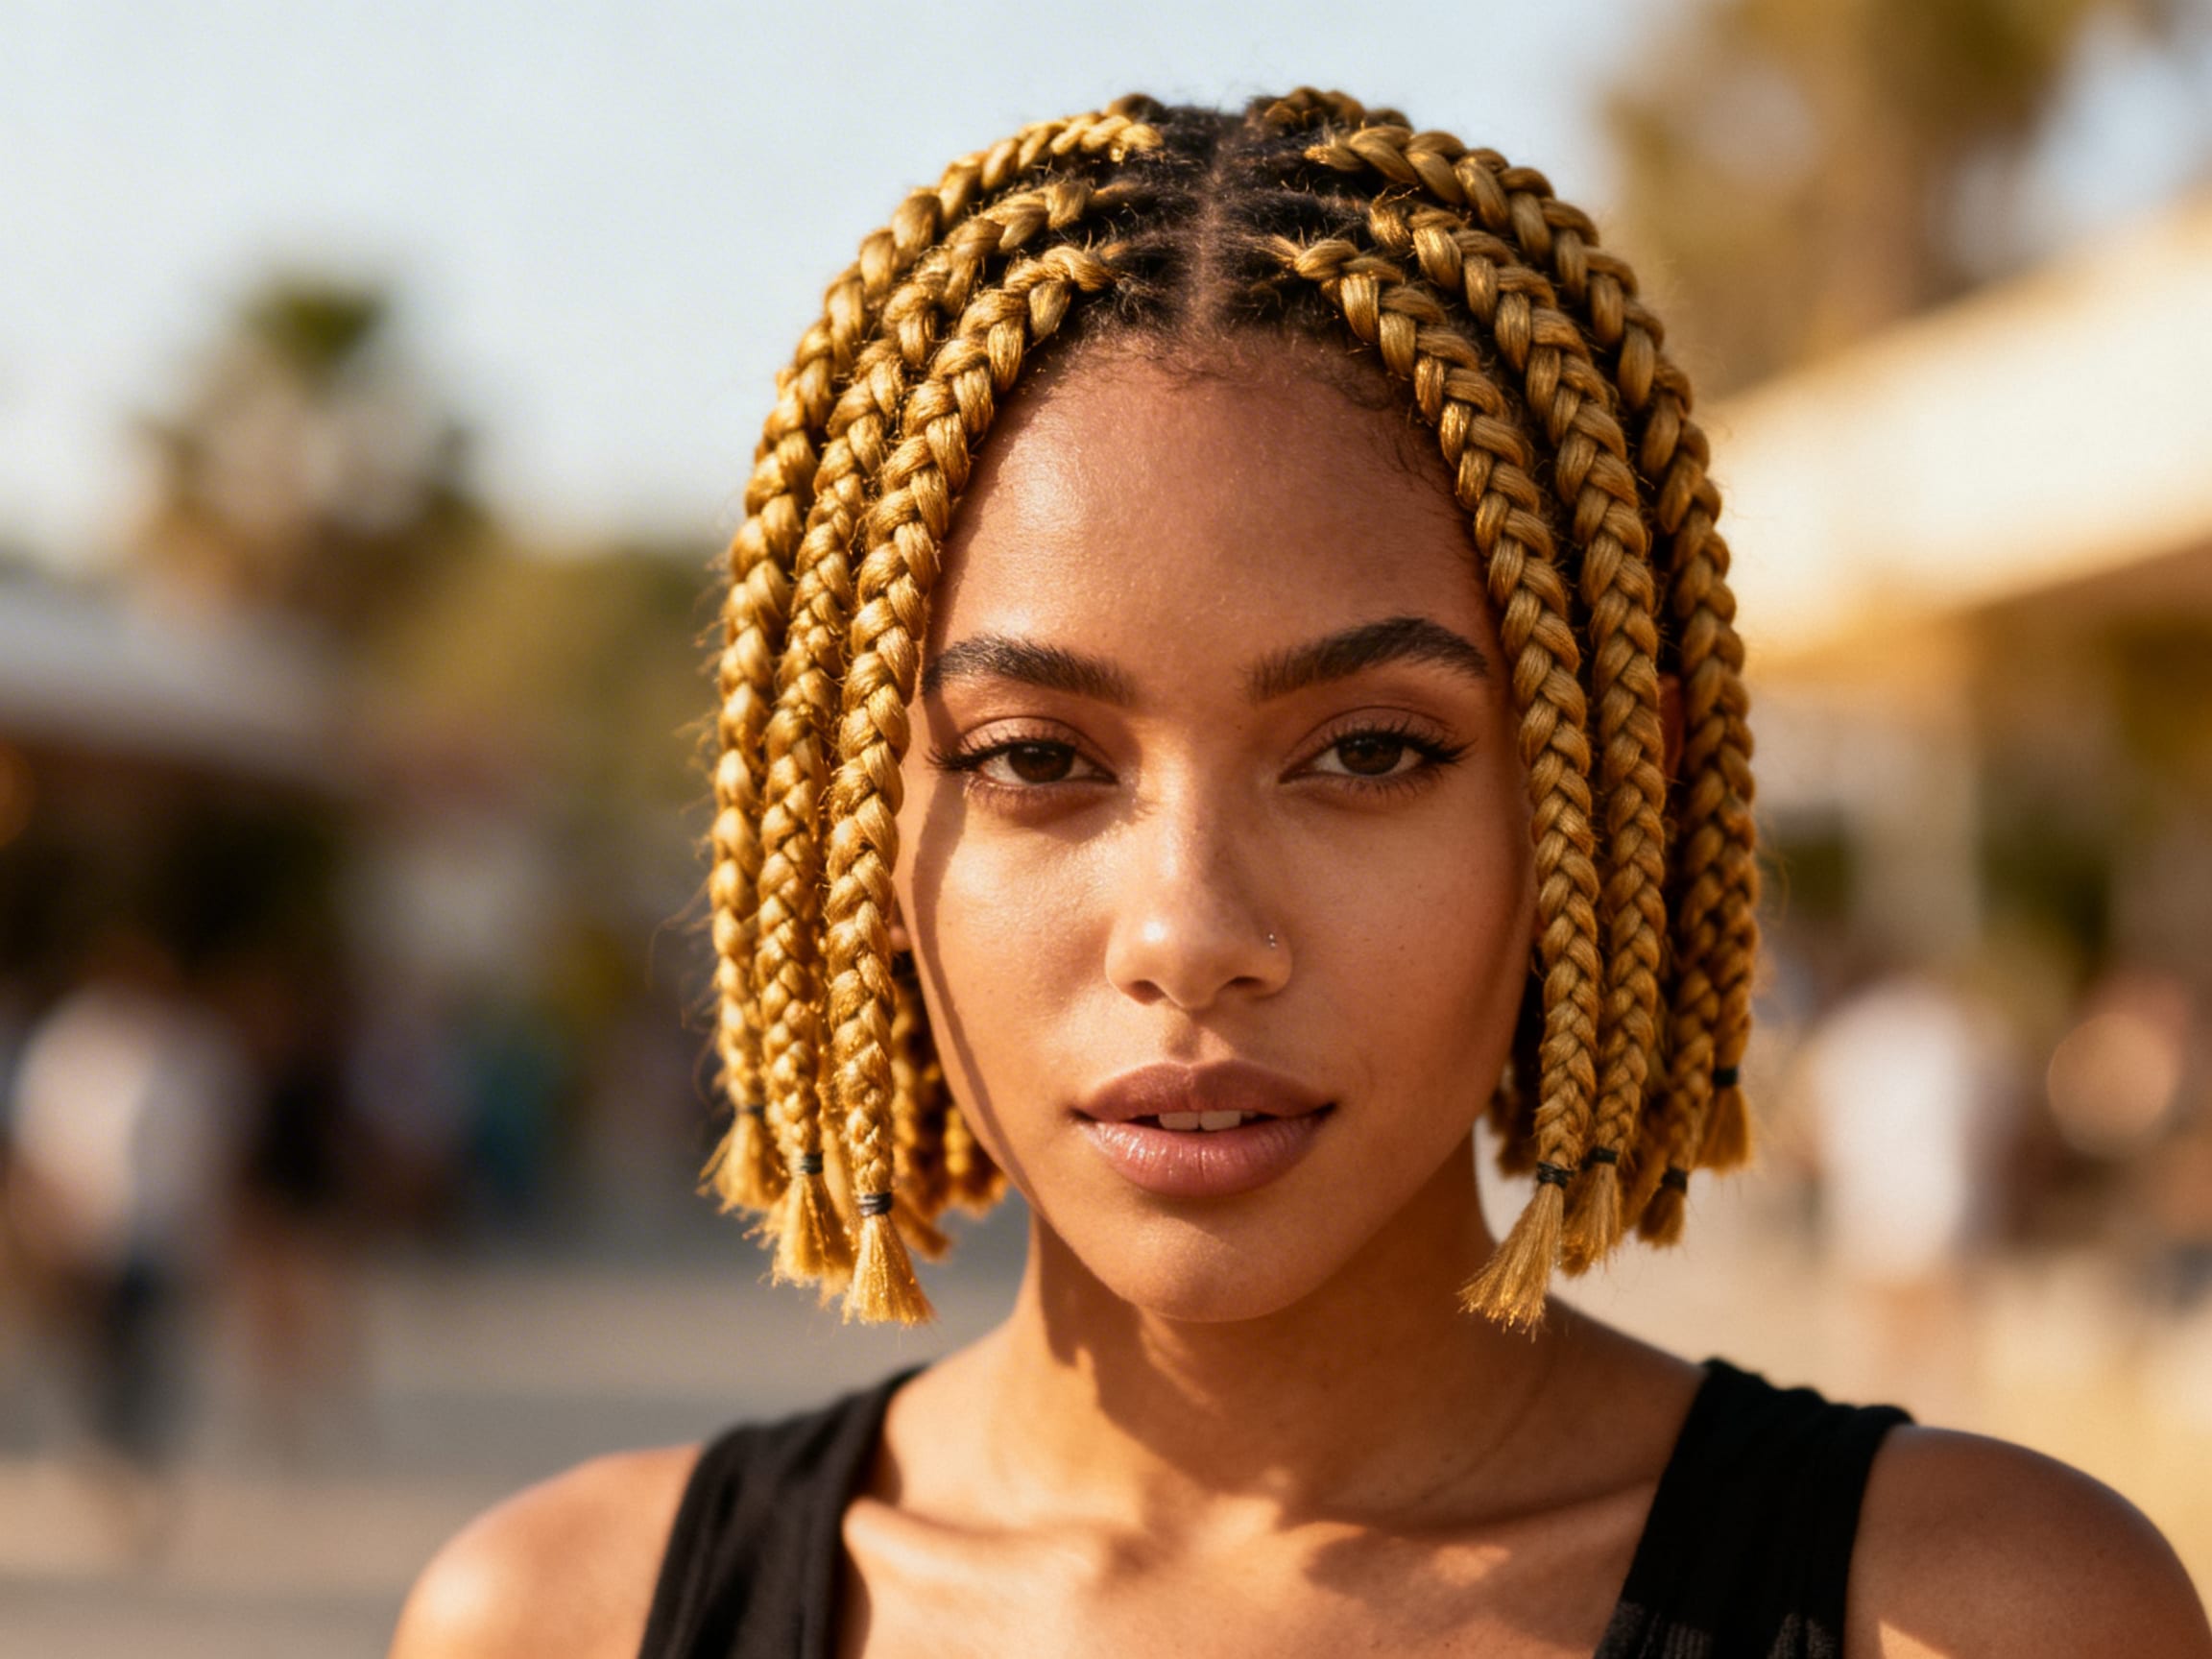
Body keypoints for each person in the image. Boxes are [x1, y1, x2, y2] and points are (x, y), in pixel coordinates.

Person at [389, 91, 2210, 1658]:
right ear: (851, 818)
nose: (1193, 933)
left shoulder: (1976, 1617)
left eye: (1369, 753)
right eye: (1038, 759)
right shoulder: (566, 1618)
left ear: (1599, 799)